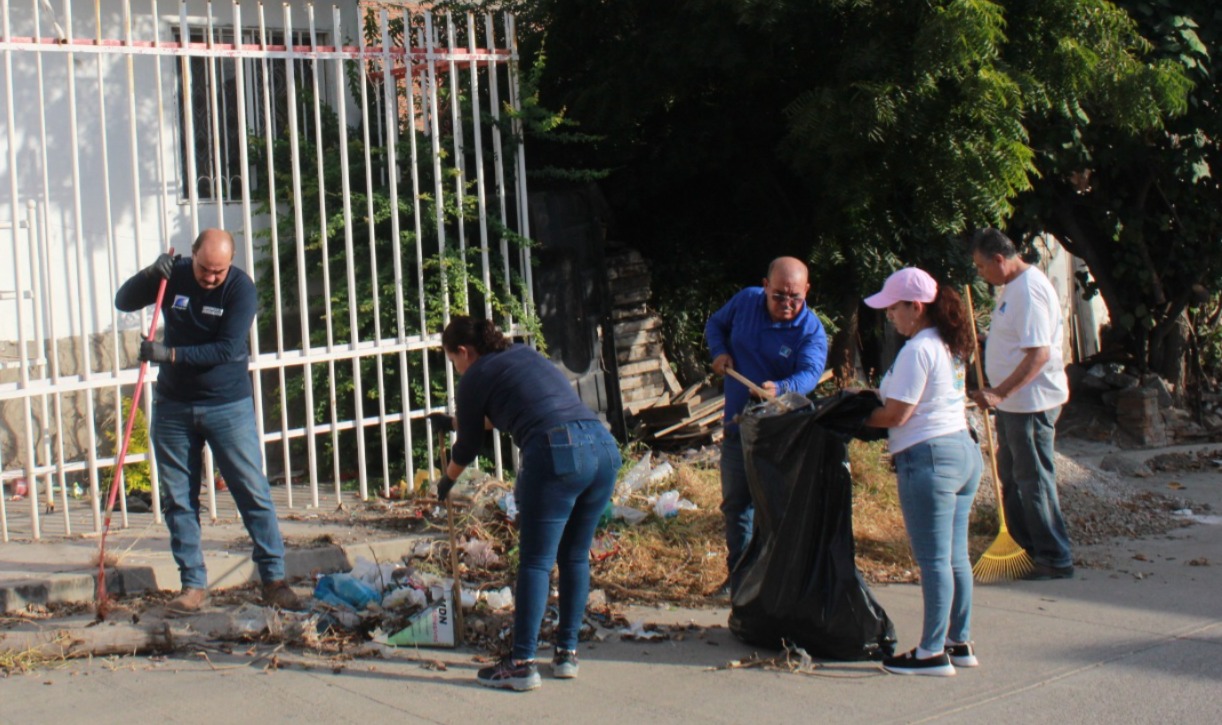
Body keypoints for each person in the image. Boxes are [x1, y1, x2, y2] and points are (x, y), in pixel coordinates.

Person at [429, 316, 621, 692]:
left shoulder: (474, 376)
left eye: (454, 360)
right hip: (601, 446)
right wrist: (454, 421)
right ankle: (566, 654)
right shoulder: (521, 354)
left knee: (535, 562)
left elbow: (468, 447)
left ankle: (521, 663)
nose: (457, 367)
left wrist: (447, 479)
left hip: (556, 452)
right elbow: (504, 411)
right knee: (575, 557)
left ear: (464, 352)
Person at [115, 229, 301, 614]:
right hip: (173, 406)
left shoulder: (240, 289)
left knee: (252, 491)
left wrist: (170, 355)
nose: (211, 278)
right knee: (178, 500)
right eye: (204, 268)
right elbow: (124, 301)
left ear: (229, 264)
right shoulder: (177, 273)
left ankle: (274, 579)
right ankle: (193, 585)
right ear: (193, 254)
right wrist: (151, 275)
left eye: (219, 270)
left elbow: (227, 347)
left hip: (226, 405)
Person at [862, 268, 983, 676]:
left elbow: (897, 414)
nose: (889, 316)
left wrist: (855, 419)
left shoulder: (917, 349)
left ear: (916, 307)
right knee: (955, 558)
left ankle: (931, 652)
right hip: (962, 452)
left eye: (894, 308)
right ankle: (958, 641)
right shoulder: (948, 344)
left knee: (933, 560)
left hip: (929, 458)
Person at [705, 256, 828, 594]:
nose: (787, 304)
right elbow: (715, 325)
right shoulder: (745, 302)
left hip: (779, 436)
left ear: (807, 291)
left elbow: (810, 373)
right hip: (737, 427)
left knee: (772, 509)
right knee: (736, 505)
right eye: (779, 296)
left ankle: (771, 582)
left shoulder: (811, 330)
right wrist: (719, 352)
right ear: (765, 287)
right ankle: (739, 577)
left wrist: (782, 388)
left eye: (795, 297)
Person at [967, 228, 1074, 580]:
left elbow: (1039, 354)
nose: (980, 273)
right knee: (1013, 478)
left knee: (1034, 480)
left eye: (982, 267)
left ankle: (1053, 556)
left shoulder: (1028, 290)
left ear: (1000, 259)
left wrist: (999, 393)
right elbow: (1018, 339)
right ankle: (1026, 548)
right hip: (1016, 404)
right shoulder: (1011, 288)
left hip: (1030, 403)